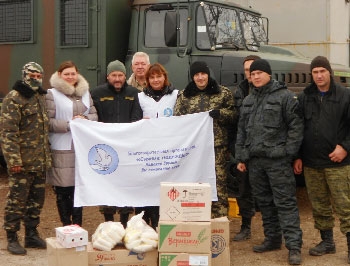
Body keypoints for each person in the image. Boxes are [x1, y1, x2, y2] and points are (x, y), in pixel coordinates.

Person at [235, 59, 303, 265]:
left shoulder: (284, 97)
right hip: (255, 162)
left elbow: (296, 127)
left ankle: (294, 247)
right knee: (264, 203)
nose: (255, 77)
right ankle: (272, 239)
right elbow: (241, 131)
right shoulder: (248, 100)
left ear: (268, 74)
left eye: (259, 73)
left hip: (278, 162)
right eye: (252, 74)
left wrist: (288, 152)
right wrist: (241, 156)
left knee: (285, 203)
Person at [293, 56, 350, 264]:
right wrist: (297, 156)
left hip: (337, 163)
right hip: (311, 162)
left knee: (345, 206)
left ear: (329, 72)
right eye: (315, 72)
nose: (318, 76)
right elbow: (297, 128)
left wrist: (345, 147)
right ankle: (327, 242)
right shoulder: (305, 97)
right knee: (319, 205)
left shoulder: (344, 95)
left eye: (322, 71)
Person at [1, 62, 52, 255]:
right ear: (24, 75)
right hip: (21, 163)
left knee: (35, 201)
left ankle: (31, 234)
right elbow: (8, 133)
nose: (35, 78)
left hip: (39, 162)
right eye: (32, 75)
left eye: (39, 76)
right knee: (16, 201)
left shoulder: (40, 97)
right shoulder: (14, 98)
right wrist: (14, 161)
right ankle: (12, 237)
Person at [174, 61, 236, 218]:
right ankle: (195, 216)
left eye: (203, 74)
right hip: (194, 149)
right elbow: (177, 121)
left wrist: (221, 114)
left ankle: (220, 219)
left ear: (208, 74)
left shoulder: (223, 93)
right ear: (192, 77)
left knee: (218, 183)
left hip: (216, 148)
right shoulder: (184, 96)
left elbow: (234, 116)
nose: (200, 78)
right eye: (196, 75)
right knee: (194, 183)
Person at [91, 59, 142, 227]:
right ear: (108, 76)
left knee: (126, 184)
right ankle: (109, 223)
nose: (117, 78)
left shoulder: (133, 93)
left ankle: (124, 223)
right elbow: (93, 117)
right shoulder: (97, 93)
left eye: (120, 75)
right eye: (114, 75)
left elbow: (137, 117)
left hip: (127, 148)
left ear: (125, 76)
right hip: (106, 149)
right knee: (107, 185)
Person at [45, 61, 98, 227]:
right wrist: (70, 124)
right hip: (62, 148)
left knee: (77, 190)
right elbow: (48, 121)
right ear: (60, 75)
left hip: (81, 149)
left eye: (72, 73)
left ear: (77, 74)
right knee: (63, 190)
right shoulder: (52, 94)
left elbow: (94, 115)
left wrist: (85, 120)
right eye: (66, 74)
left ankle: (77, 225)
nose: (70, 77)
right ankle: (66, 225)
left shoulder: (85, 93)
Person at [136, 63, 178, 229]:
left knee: (164, 189)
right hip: (148, 151)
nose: (155, 80)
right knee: (147, 187)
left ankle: (163, 225)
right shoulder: (141, 97)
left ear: (164, 77)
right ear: (147, 80)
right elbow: (134, 121)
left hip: (169, 150)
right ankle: (145, 226)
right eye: (152, 77)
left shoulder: (175, 95)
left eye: (158, 76)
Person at [230, 55, 260, 241]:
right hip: (244, 149)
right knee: (244, 190)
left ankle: (274, 232)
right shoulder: (239, 92)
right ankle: (246, 226)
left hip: (266, 150)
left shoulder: (272, 92)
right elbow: (235, 123)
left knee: (269, 193)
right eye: (247, 70)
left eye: (253, 69)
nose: (249, 73)